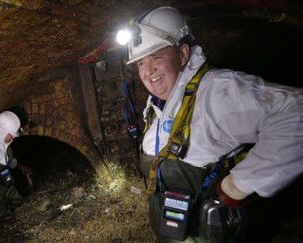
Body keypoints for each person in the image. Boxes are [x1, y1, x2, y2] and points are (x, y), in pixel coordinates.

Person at [120, 6, 303, 242]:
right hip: (175, 231)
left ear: (183, 54)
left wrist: (237, 186)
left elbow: (296, 113)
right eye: (141, 63)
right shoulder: (156, 105)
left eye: (156, 57)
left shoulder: (215, 91)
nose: (148, 71)